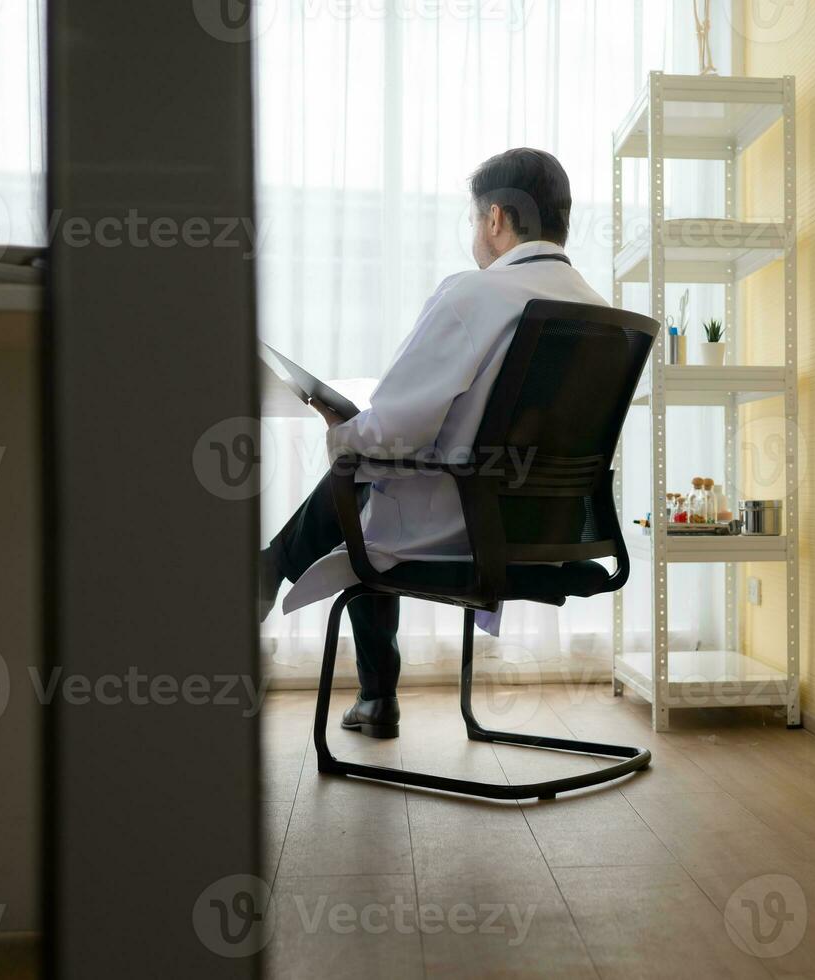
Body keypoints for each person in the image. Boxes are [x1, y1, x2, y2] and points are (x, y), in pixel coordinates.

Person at [258, 147, 608, 739]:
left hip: (461, 530)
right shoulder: (602, 313)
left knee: (362, 476)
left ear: (496, 219)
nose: (477, 233)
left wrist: (342, 429)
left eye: (476, 220)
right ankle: (360, 683)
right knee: (367, 483)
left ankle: (265, 585)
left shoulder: (474, 295)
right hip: (556, 537)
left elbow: (395, 427)